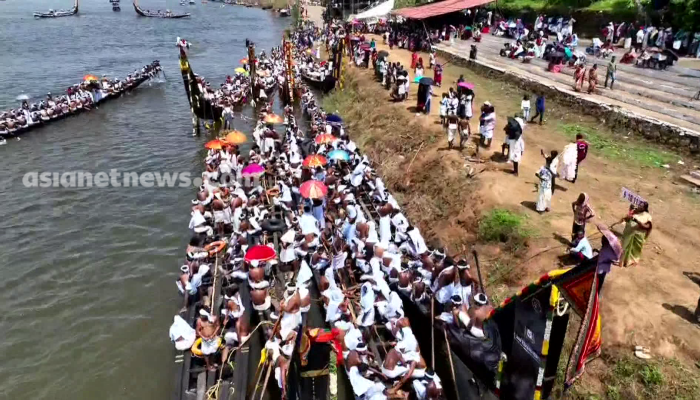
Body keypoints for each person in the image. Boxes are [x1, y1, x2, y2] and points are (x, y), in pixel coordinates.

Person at [615, 202, 652, 267]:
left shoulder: (647, 216)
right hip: (628, 233)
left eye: (641, 206)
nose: (639, 206)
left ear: (645, 208)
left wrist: (638, 222)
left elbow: (648, 226)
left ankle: (630, 261)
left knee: (634, 249)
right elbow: (626, 219)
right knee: (624, 246)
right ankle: (621, 261)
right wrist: (628, 216)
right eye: (639, 205)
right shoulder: (634, 211)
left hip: (638, 235)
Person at [596, 223, 622, 291]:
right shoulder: (609, 248)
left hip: (600, 269)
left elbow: (601, 258)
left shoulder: (606, 250)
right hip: (605, 267)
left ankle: (597, 294)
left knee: (597, 283)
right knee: (600, 282)